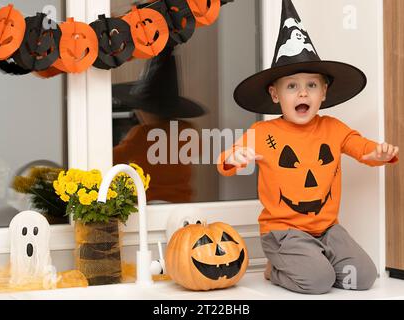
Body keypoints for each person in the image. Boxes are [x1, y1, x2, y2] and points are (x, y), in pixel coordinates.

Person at [217, 0, 399, 294]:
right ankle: (277, 269)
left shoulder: (333, 128)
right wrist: (234, 157)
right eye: (291, 86)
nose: (302, 92)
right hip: (284, 232)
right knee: (318, 283)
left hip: (328, 230)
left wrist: (378, 153)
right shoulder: (263, 132)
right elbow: (226, 160)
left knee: (364, 277)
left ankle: (317, 262)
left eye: (311, 85)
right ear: (275, 94)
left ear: (323, 92)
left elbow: (361, 148)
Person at [113, 47, 206, 203]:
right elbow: (199, 150)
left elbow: (114, 158)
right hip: (181, 203)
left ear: (146, 111)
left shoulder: (141, 133)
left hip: (150, 204)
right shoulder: (187, 130)